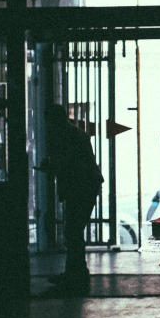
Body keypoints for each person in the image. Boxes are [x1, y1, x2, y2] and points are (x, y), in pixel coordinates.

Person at [39, 106, 103, 294]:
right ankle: (75, 273)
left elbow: (67, 163)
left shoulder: (64, 135)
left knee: (73, 231)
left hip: (80, 187)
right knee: (74, 231)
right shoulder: (73, 133)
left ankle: (77, 275)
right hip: (85, 186)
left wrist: (50, 167)